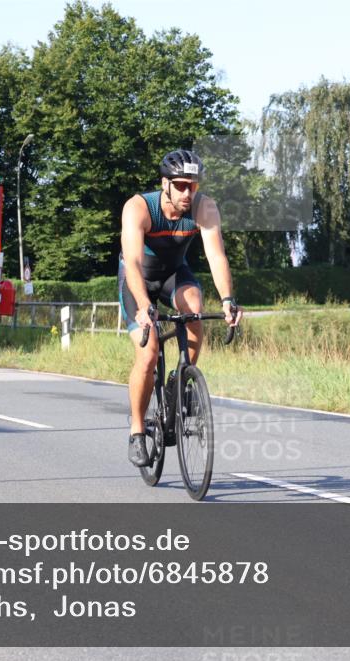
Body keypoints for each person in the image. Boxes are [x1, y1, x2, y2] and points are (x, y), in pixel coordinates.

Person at [118, 149, 242, 467]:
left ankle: (180, 380)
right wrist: (144, 306)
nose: (188, 192)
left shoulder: (205, 208)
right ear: (165, 184)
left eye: (194, 185)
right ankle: (136, 431)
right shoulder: (138, 208)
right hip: (138, 280)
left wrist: (228, 300)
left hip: (174, 274)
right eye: (182, 185)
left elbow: (216, 257)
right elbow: (131, 262)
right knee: (147, 353)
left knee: (195, 310)